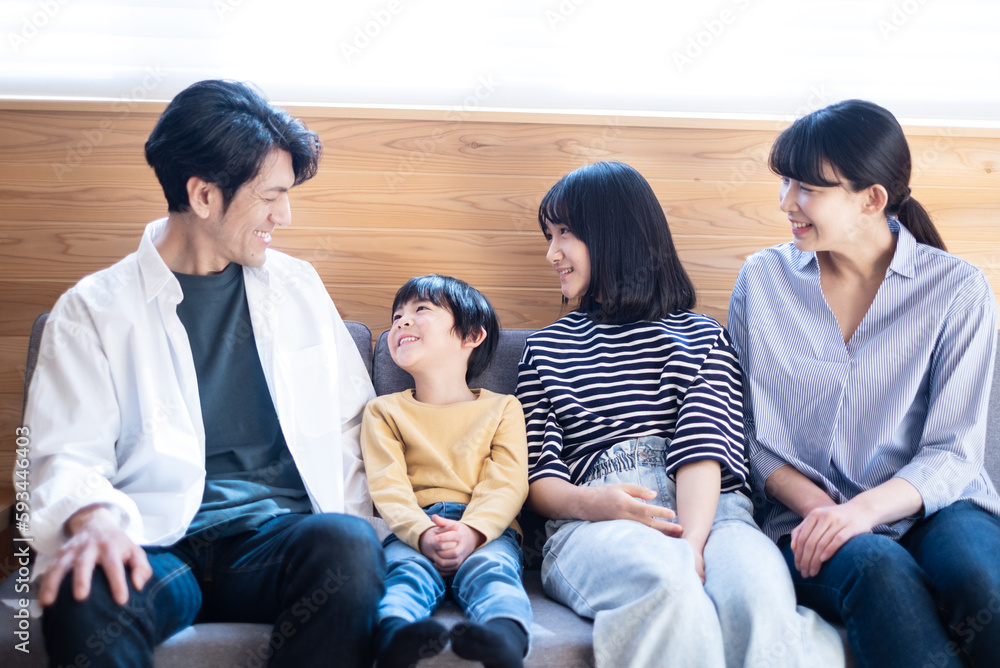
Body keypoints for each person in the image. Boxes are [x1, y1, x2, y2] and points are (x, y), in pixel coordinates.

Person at [22, 79, 386, 668]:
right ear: (203, 195)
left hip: (273, 542)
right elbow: (65, 453)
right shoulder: (92, 310)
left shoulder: (297, 287)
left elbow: (355, 427)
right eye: (271, 196)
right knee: (83, 589)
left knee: (349, 546)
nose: (284, 215)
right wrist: (92, 519)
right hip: (154, 540)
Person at [515, 160, 844, 668]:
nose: (551, 252)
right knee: (668, 583)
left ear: (613, 235)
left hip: (717, 514)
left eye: (565, 234)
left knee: (758, 597)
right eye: (549, 236)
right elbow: (539, 478)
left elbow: (702, 451)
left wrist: (691, 543)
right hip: (594, 522)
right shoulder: (545, 351)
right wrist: (594, 502)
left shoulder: (702, 337)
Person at [727, 99, 1000, 667]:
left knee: (981, 582)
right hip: (805, 517)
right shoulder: (762, 280)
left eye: (806, 188)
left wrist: (863, 512)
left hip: (934, 507)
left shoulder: (958, 290)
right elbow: (746, 431)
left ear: (872, 199)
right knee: (879, 571)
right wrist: (824, 511)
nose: (786, 203)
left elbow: (954, 452)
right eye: (785, 182)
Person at [361, 274, 532, 668]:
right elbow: (387, 486)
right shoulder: (383, 411)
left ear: (471, 335)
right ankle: (394, 638)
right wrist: (422, 535)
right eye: (397, 316)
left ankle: (504, 641)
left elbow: (507, 482)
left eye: (420, 309)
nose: (401, 321)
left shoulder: (503, 408)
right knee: (404, 574)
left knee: (494, 572)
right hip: (414, 529)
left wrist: (473, 531)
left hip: (488, 531)